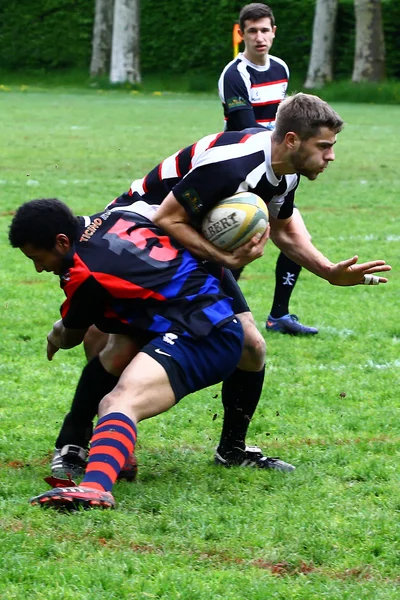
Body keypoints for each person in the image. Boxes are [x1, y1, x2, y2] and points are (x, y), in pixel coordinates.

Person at [47, 92, 390, 487]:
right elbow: (167, 216)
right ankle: (74, 444)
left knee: (251, 345)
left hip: (186, 241)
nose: (331, 156)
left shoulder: (286, 170)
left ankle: (232, 450)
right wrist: (223, 259)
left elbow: (282, 227)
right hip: (138, 235)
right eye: (325, 146)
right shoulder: (233, 163)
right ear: (293, 140)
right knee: (117, 342)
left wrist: (328, 270)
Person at [9, 198, 252, 509]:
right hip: (196, 316)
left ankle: (96, 488)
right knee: (114, 353)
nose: (39, 268)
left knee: (118, 400)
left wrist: (54, 336)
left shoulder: (83, 271)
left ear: (61, 242)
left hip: (202, 332)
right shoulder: (121, 215)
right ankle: (78, 444)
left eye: (37, 258)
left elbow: (69, 336)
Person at [218, 2, 318, 335]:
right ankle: (218, 313)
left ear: (274, 32)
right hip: (244, 170)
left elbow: (282, 121)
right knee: (242, 244)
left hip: (279, 167)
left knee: (295, 237)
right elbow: (244, 129)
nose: (259, 37)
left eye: (265, 30)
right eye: (252, 31)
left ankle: (279, 315)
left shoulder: (280, 68)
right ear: (241, 33)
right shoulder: (234, 75)